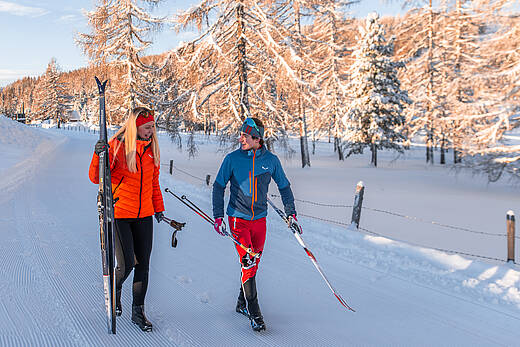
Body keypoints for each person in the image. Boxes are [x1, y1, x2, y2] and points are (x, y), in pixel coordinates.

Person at [212, 117, 297, 332]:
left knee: (254, 262)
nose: (241, 138)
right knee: (248, 262)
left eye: (245, 135)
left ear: (257, 139)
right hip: (237, 219)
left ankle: (241, 302)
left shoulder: (271, 160)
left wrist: (291, 213)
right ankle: (255, 312)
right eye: (241, 134)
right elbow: (218, 187)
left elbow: (284, 187)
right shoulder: (232, 159)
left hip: (260, 220)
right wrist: (218, 216)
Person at [88, 107, 165, 332]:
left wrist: (158, 208)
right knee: (128, 264)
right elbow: (96, 178)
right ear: (135, 127)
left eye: (152, 127)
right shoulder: (117, 147)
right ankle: (115, 288)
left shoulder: (152, 151)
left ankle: (138, 311)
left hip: (144, 215)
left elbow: (153, 184)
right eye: (147, 127)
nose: (151, 131)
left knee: (144, 265)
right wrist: (98, 154)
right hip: (120, 213)